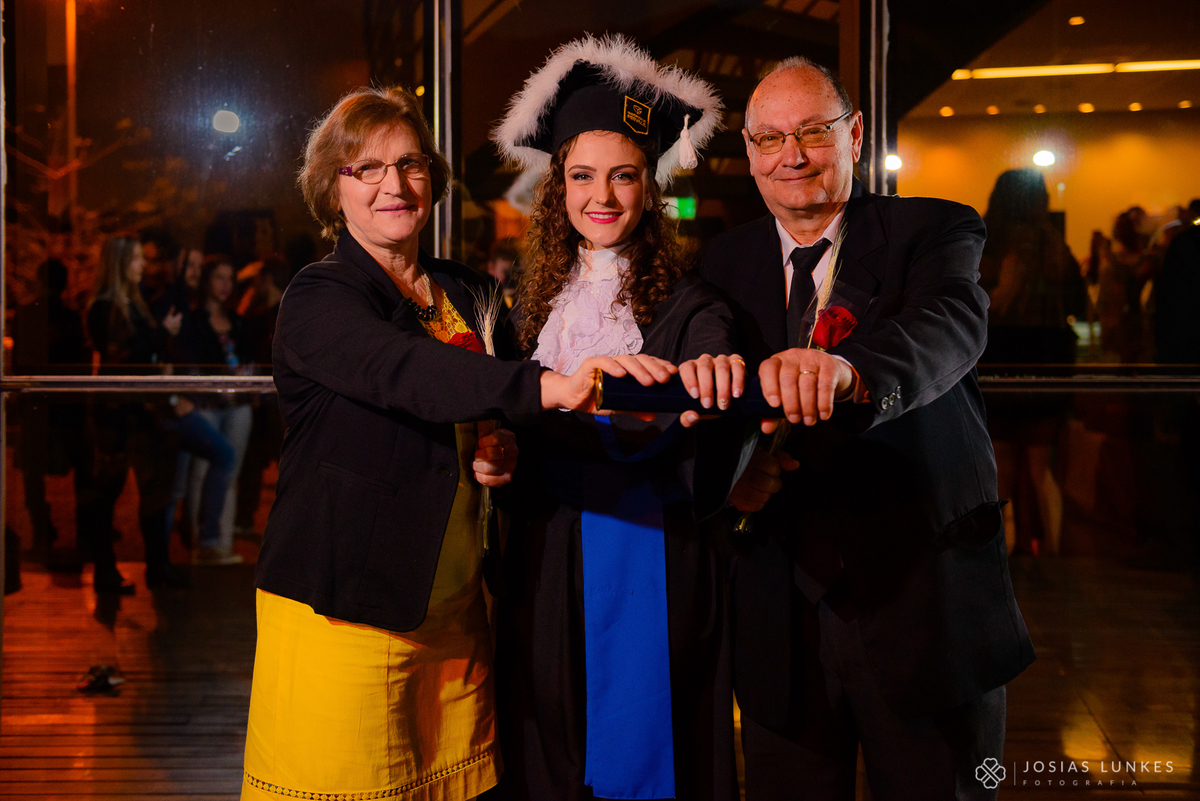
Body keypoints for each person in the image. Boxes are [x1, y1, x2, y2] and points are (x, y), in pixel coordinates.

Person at [241, 85, 653, 801]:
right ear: (332, 190)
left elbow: (474, 406)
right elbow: (407, 373)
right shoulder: (319, 296)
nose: (393, 186)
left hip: (458, 612)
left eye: (409, 164)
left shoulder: (468, 293)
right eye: (364, 169)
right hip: (348, 611)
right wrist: (545, 385)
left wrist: (505, 446)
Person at [693, 57, 1035, 800]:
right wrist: (732, 473)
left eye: (813, 132)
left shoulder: (934, 228)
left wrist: (850, 372)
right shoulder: (722, 260)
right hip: (782, 618)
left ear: (853, 134)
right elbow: (708, 393)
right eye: (770, 138)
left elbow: (949, 326)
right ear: (748, 153)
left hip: (924, 606)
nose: (793, 155)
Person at [490, 35, 739, 801]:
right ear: (558, 186)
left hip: (650, 551)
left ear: (649, 188)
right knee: (548, 737)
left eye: (624, 175)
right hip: (542, 550)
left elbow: (710, 380)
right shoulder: (524, 311)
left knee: (652, 745)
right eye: (583, 175)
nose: (602, 195)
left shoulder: (693, 303)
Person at [977, 168, 1086, 556]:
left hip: (1000, 356)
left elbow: (981, 309)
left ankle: (999, 559)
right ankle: (1053, 558)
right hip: (1047, 358)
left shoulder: (987, 242)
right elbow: (1079, 304)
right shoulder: (1052, 242)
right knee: (1042, 471)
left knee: (1000, 466)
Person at [83, 236, 189, 592]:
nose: (142, 265)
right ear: (120, 264)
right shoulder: (104, 307)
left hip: (138, 411)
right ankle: (107, 570)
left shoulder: (132, 303)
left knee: (152, 490)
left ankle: (155, 565)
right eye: (136, 259)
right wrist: (162, 334)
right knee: (109, 492)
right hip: (117, 414)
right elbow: (122, 356)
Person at [172, 254, 255, 565]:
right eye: (219, 277)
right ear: (207, 281)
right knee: (201, 472)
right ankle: (200, 541)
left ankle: (221, 541)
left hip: (236, 405)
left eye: (229, 279)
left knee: (228, 472)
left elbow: (247, 357)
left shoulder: (236, 320)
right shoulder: (193, 320)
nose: (225, 285)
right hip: (206, 404)